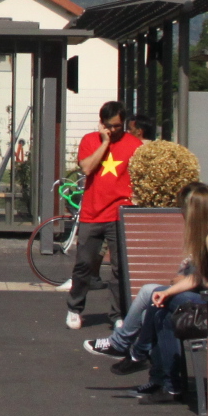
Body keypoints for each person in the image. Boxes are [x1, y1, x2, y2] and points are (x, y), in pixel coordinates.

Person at [137, 182, 208, 404]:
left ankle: (144, 358)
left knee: (172, 306)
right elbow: (199, 277)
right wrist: (169, 291)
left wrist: (202, 284)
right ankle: (163, 379)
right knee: (163, 306)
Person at [64, 102, 141, 329]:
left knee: (119, 267)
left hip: (120, 213)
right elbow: (87, 168)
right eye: (108, 126)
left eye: (117, 126)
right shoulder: (90, 140)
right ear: (101, 123)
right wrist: (105, 143)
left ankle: (118, 314)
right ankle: (75, 308)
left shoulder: (134, 144)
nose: (113, 130)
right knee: (84, 264)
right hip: (92, 212)